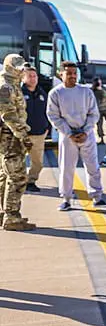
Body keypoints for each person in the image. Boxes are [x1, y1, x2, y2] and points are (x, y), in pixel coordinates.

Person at [47, 61, 106, 211]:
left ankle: (97, 196)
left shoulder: (86, 92)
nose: (72, 76)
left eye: (75, 73)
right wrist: (69, 133)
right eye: (69, 73)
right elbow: (53, 116)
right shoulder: (55, 93)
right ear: (61, 74)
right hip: (67, 137)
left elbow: (93, 113)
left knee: (93, 166)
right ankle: (66, 198)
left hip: (86, 135)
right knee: (67, 168)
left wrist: (86, 131)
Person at [0, 54, 35, 231]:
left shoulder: (11, 84)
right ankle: (12, 217)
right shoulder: (6, 86)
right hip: (10, 137)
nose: (22, 71)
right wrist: (23, 136)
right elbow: (8, 115)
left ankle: (4, 214)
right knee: (18, 178)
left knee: (5, 176)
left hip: (9, 137)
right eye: (18, 68)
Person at [22, 66, 49, 193]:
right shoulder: (18, 93)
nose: (32, 79)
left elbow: (48, 112)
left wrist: (47, 127)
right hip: (21, 134)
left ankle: (31, 181)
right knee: (17, 162)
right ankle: (18, 182)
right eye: (29, 76)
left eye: (34, 76)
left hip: (39, 134)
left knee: (38, 162)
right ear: (23, 78)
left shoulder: (43, 94)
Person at [92, 77, 106, 145]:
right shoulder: (92, 90)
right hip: (98, 111)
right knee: (99, 126)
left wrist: (101, 89)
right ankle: (101, 139)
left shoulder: (104, 88)